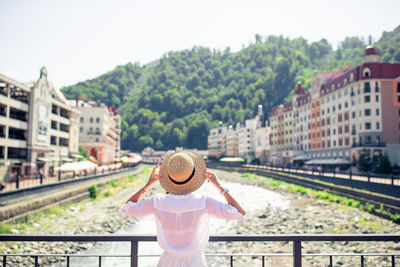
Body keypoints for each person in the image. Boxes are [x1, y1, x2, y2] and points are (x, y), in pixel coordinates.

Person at [121, 150, 245, 266]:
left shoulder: (157, 201)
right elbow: (239, 212)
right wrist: (218, 186)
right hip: (195, 262)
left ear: (167, 178)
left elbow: (127, 208)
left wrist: (147, 186)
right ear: (193, 176)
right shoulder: (203, 202)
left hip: (167, 262)